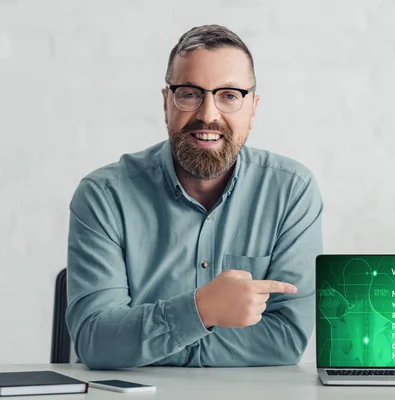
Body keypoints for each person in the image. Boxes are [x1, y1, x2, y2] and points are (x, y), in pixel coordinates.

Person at [65, 24, 323, 369]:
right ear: (166, 103)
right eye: (189, 93)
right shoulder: (103, 197)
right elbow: (96, 342)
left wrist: (149, 342)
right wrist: (203, 310)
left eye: (229, 95)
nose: (208, 114)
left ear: (253, 109)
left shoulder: (291, 192)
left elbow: (284, 342)